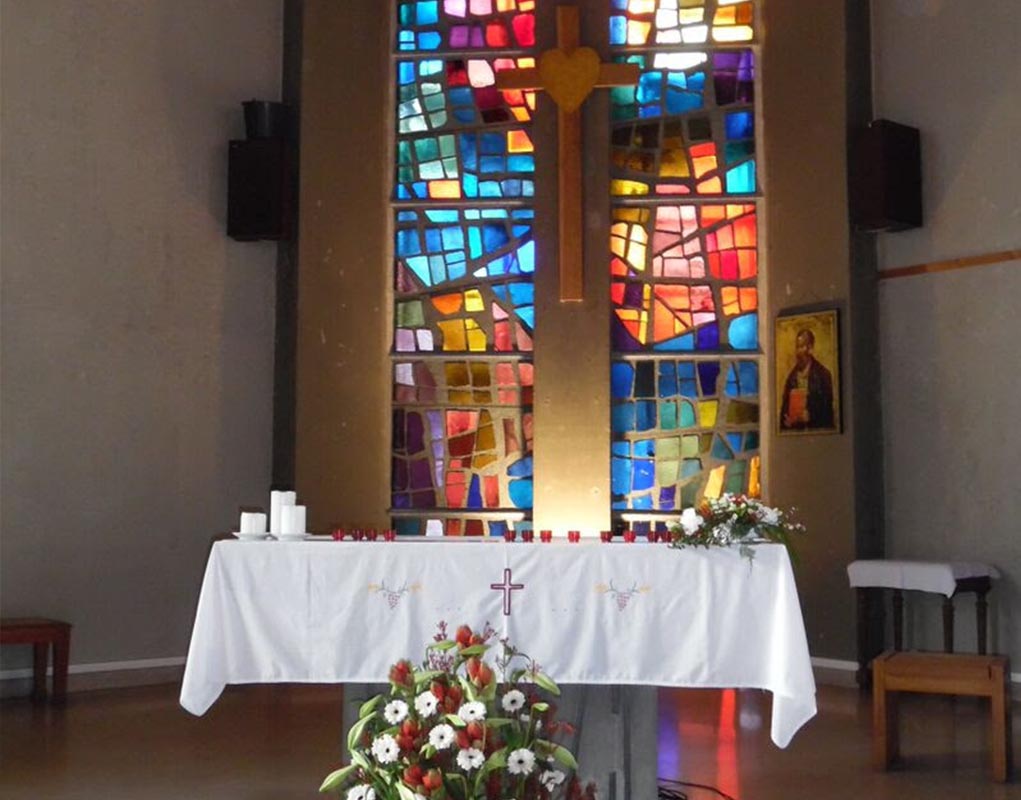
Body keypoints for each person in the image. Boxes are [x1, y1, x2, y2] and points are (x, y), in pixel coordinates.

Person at [780, 328, 835, 430]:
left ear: (810, 348)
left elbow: (828, 414)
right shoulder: (791, 378)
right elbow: (784, 412)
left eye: (801, 347)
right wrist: (787, 422)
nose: (798, 351)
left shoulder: (823, 375)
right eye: (797, 347)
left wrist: (811, 417)